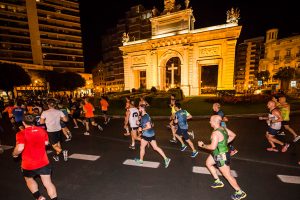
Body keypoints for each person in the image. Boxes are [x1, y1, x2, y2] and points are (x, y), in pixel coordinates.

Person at [198, 115, 246, 200]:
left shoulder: (215, 133)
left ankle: (240, 192)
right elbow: (233, 135)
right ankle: (218, 181)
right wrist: (223, 143)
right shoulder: (223, 128)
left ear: (215, 121)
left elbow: (212, 147)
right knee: (208, 163)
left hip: (221, 155)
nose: (209, 122)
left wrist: (203, 145)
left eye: (210, 120)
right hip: (216, 153)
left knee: (227, 175)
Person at [12, 115, 58, 200]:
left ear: (23, 123)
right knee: (48, 183)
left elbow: (20, 148)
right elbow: (46, 143)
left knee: (29, 180)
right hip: (43, 162)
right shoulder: (42, 130)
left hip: (28, 165)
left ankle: (39, 197)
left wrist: (14, 154)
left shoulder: (21, 133)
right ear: (34, 121)